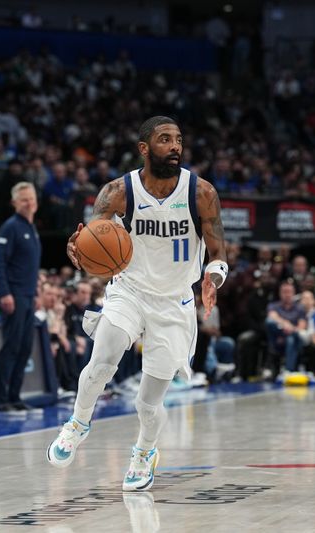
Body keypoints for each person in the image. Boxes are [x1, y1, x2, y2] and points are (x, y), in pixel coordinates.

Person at [46, 116, 228, 492]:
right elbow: (91, 236)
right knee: (101, 363)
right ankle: (77, 424)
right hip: (128, 290)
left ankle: (144, 453)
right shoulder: (118, 191)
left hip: (174, 301)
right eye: (165, 139)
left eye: (178, 139)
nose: (175, 146)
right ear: (145, 148)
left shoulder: (201, 192)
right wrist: (78, 251)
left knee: (148, 404)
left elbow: (218, 251)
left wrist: (214, 277)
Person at [0, 182, 42, 412]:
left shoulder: (32, 228)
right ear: (14, 203)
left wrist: (36, 293)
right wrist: (4, 292)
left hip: (28, 295)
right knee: (11, 346)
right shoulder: (10, 227)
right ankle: (0, 400)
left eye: (31, 199)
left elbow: (30, 266)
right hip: (14, 295)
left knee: (24, 347)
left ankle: (15, 396)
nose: (29, 203)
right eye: (24, 199)